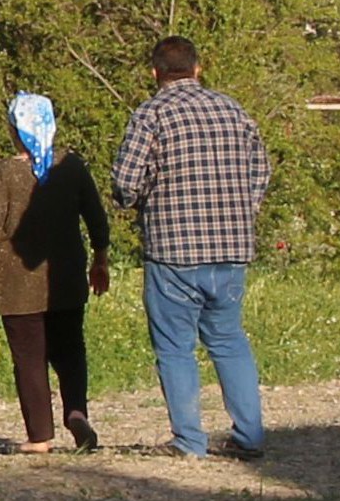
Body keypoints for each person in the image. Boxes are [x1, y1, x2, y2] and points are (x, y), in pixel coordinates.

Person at [108, 33, 274, 461]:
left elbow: (125, 182)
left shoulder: (151, 114)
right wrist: (242, 211)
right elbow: (261, 169)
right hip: (231, 247)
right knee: (229, 340)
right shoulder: (233, 111)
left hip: (173, 249)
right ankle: (250, 435)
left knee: (175, 347)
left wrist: (141, 200)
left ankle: (189, 440)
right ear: (198, 69)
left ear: (155, 73)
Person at [0, 90, 113, 452]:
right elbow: (97, 218)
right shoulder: (72, 166)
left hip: (17, 282)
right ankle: (76, 412)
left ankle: (40, 436)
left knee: (28, 357)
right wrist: (100, 259)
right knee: (70, 351)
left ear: (14, 130)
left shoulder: (7, 171)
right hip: (65, 277)